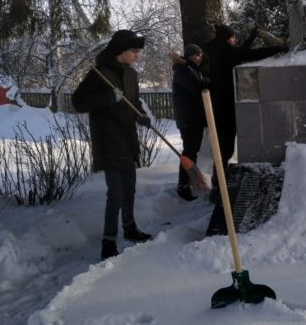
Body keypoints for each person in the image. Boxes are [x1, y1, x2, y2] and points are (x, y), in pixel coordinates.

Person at [72, 29, 154, 260]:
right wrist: (108, 98)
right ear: (121, 51)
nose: (137, 55)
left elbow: (134, 101)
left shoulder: (131, 74)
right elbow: (78, 102)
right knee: (115, 194)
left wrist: (140, 115)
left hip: (128, 139)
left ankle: (130, 228)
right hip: (108, 140)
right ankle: (108, 242)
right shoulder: (99, 73)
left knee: (129, 189)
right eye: (134, 51)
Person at [201, 24, 286, 192]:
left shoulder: (217, 50)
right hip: (225, 105)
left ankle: (218, 181)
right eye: (233, 37)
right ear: (226, 39)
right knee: (226, 146)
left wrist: (252, 37)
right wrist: (278, 48)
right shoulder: (224, 52)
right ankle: (219, 185)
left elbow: (238, 52)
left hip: (220, 104)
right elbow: (248, 54)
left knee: (224, 145)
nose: (235, 39)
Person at [171, 44, 210, 201]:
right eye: (196, 54)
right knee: (189, 152)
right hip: (188, 119)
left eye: (201, 54)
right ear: (189, 56)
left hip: (194, 118)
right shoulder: (182, 70)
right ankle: (183, 185)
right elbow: (196, 87)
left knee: (192, 151)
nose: (199, 57)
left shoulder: (191, 69)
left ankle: (190, 182)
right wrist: (208, 81)